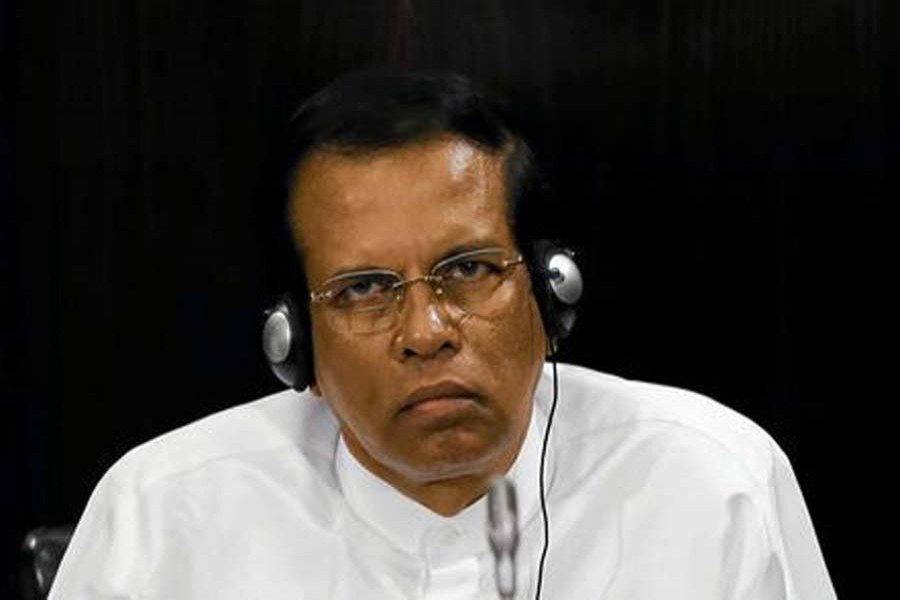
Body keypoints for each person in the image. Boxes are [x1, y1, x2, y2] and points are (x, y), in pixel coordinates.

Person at [50, 70, 836, 599]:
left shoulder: (715, 485)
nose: (426, 332)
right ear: (294, 346)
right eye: (363, 289)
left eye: (468, 270)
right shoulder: (157, 523)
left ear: (550, 290)